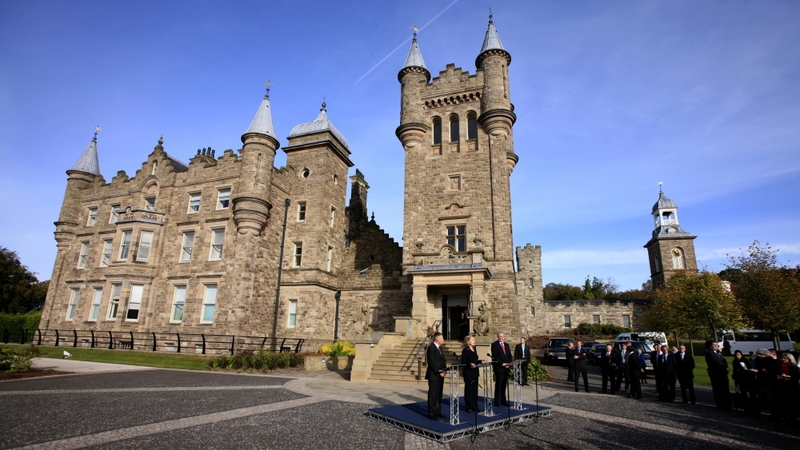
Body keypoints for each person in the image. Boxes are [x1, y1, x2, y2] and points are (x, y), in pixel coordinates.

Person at [752, 348, 779, 420]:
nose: (759, 356)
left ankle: (775, 415)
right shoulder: (759, 360)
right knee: (766, 398)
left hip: (769, 382)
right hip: (762, 381)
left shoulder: (770, 361)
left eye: (761, 354)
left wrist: (760, 371)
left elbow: (772, 372)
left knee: (771, 399)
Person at [425, 332, 447, 420]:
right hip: (434, 375)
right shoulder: (431, 348)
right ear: (437, 339)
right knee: (433, 394)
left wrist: (444, 370)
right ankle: (431, 412)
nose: (443, 340)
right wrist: (438, 372)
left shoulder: (440, 348)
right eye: (442, 338)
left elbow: (443, 360)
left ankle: (438, 411)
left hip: (441, 375)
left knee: (439, 394)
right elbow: (432, 362)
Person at [705, 340, 732, 410]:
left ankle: (727, 404)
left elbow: (723, 361)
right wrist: (723, 368)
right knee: (718, 389)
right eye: (714, 345)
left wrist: (726, 367)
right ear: (710, 346)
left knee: (725, 389)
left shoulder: (718, 353)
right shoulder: (709, 353)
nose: (716, 346)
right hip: (716, 374)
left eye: (717, 345)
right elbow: (714, 363)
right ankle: (721, 404)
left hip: (722, 373)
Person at [460, 335, 483, 413]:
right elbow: (463, 362)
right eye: (473, 340)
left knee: (474, 390)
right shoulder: (465, 350)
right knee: (469, 390)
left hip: (475, 372)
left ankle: (475, 406)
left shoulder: (474, 349)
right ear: (468, 342)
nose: (474, 341)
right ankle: (469, 406)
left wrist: (480, 361)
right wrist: (470, 364)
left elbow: (475, 360)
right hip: (468, 372)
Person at [776, 353, 800, 422]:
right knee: (784, 403)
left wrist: (788, 377)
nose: (783, 359)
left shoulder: (794, 367)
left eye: (785, 358)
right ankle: (785, 416)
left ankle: (793, 418)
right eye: (782, 358)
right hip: (782, 386)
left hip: (791, 387)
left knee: (792, 403)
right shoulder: (780, 366)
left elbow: (796, 377)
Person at [491, 331, 512, 406]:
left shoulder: (506, 345)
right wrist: (502, 364)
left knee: (504, 385)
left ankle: (503, 400)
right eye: (499, 336)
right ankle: (497, 401)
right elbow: (495, 356)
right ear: (497, 337)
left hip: (506, 368)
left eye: (502, 336)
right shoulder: (494, 345)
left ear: (504, 337)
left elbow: (509, 355)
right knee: (499, 384)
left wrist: (509, 364)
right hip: (499, 367)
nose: (501, 338)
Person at [731, 349, 757, 413]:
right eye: (736, 355)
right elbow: (735, 371)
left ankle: (754, 409)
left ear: (741, 355)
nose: (737, 356)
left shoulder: (745, 360)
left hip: (748, 379)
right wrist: (735, 380)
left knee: (751, 394)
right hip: (740, 379)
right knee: (744, 394)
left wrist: (746, 369)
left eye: (738, 355)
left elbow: (750, 369)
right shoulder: (735, 362)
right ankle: (747, 408)